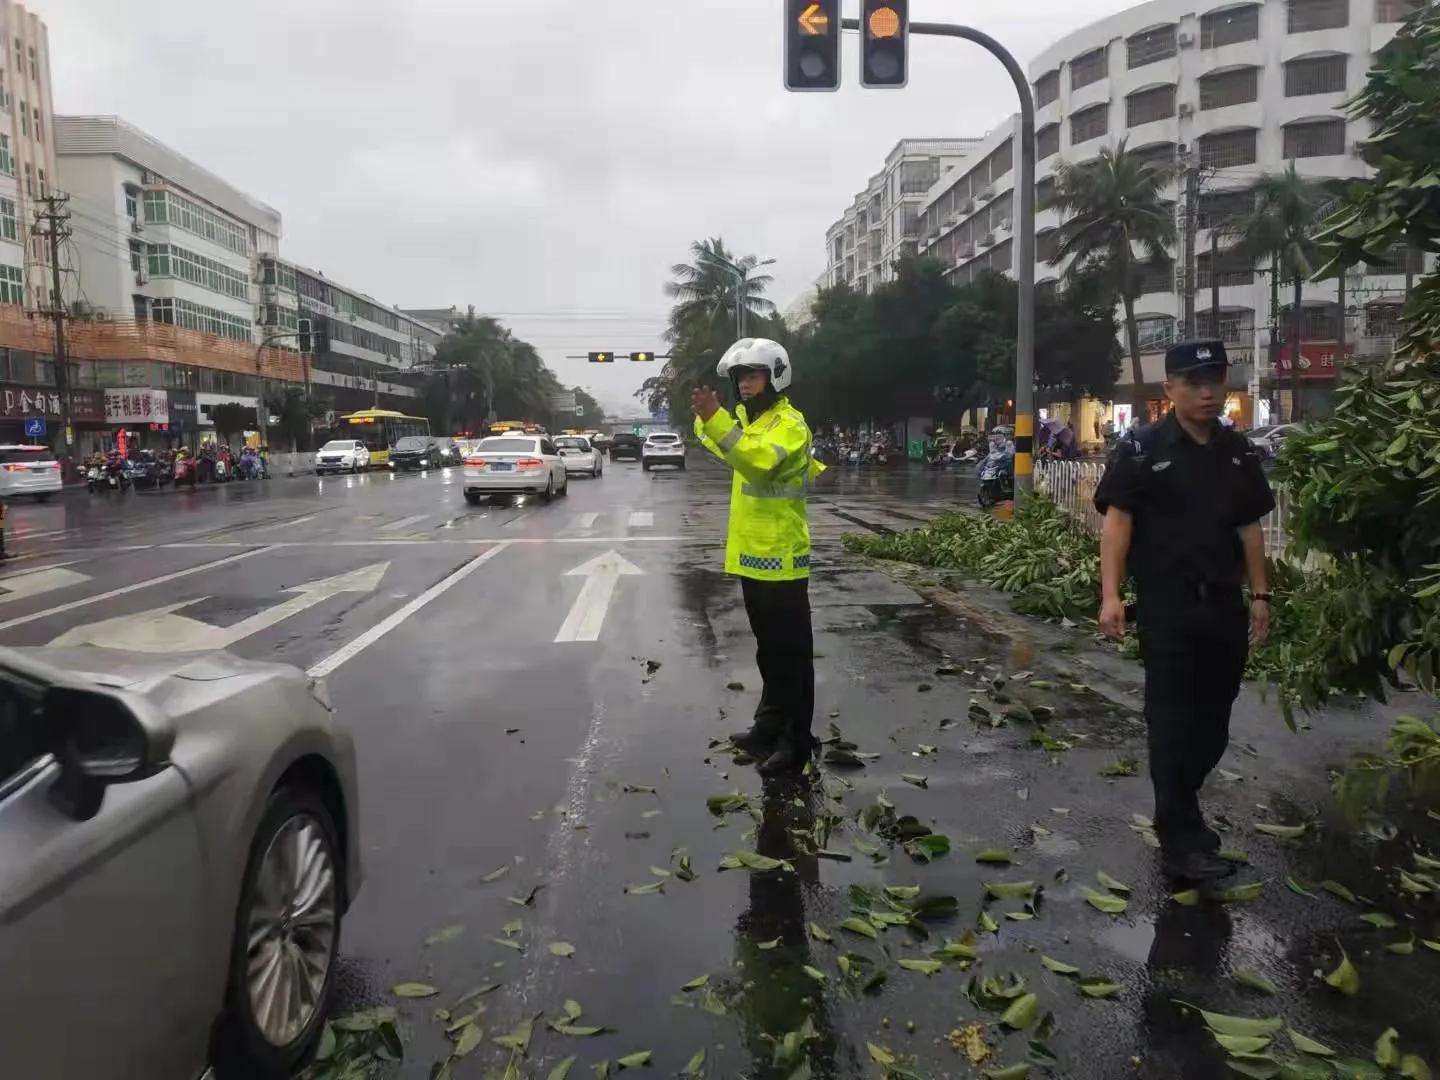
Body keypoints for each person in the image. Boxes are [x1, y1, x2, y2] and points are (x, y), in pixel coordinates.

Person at [1093, 339, 1274, 885]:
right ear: (1169, 389)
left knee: (1214, 724)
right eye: (1194, 382)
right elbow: (1116, 526)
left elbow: (1251, 530)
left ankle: (1181, 802)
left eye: (1214, 380)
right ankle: (1181, 838)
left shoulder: (1238, 452)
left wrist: (1262, 596)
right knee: (1171, 722)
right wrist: (1111, 594)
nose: (1207, 391)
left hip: (1223, 606)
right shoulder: (1142, 449)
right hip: (1168, 608)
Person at [692, 338, 824, 775]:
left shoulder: (788, 425)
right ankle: (767, 729)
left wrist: (717, 421)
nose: (745, 384)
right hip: (752, 555)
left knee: (791, 657)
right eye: (739, 378)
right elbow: (723, 446)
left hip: (782, 557)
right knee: (768, 653)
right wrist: (709, 420)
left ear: (775, 377)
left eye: (753, 375)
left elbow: (756, 462)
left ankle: (796, 743)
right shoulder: (752, 424)